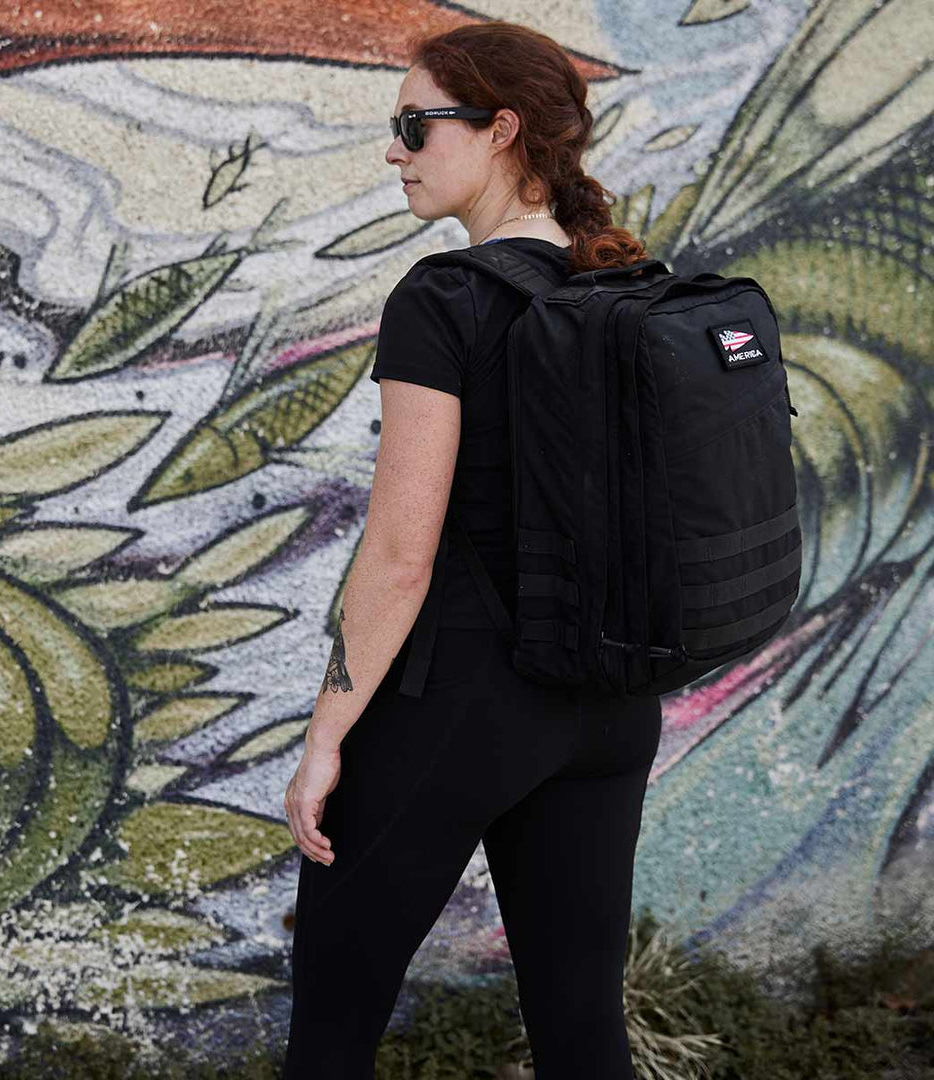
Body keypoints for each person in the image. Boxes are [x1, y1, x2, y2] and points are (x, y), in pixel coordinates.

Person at [282, 20, 662, 1080]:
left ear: (500, 130)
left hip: (462, 707)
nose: (393, 150)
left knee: (331, 1041)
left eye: (415, 125)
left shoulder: (444, 299)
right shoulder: (627, 287)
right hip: (611, 710)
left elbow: (399, 558)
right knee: (583, 1036)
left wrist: (326, 738)